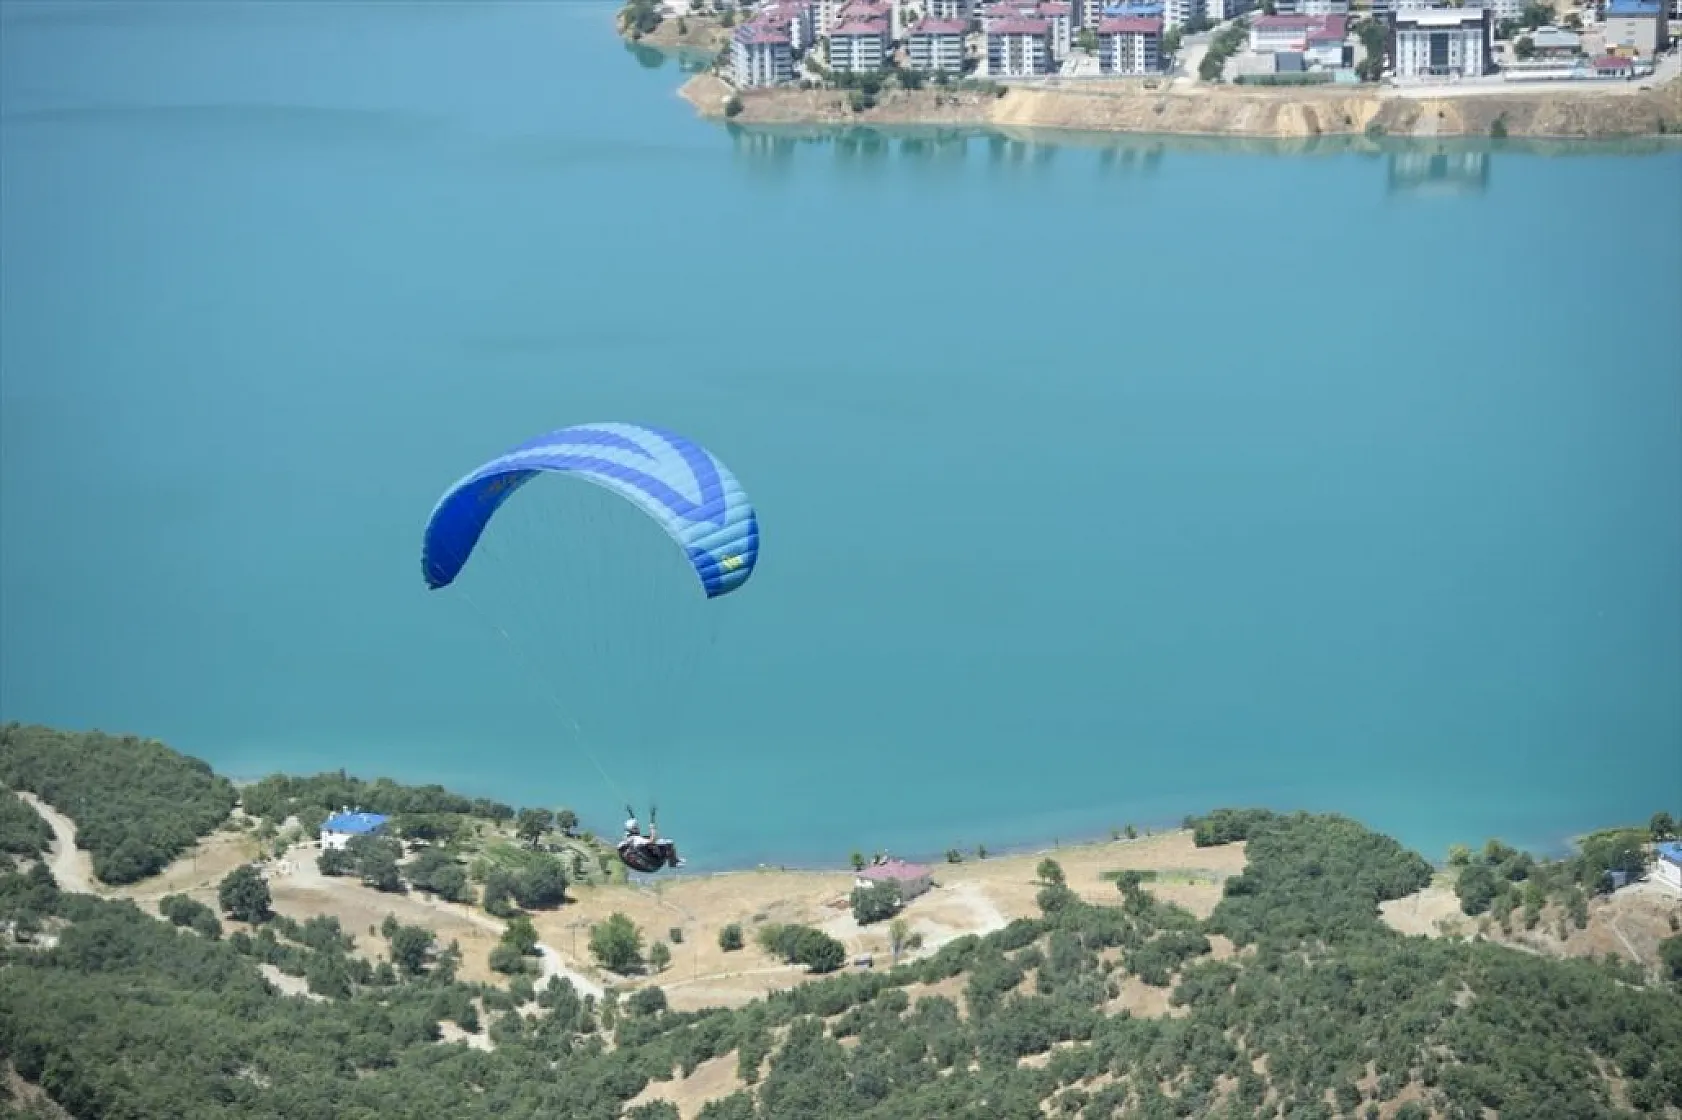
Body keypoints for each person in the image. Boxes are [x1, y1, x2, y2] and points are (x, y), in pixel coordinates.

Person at [617, 805, 683, 870]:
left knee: (647, 839)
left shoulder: (627, 838)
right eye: (637, 827)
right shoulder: (637, 839)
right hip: (655, 863)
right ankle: (673, 863)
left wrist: (630, 812)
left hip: (644, 865)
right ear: (635, 829)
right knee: (669, 842)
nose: (638, 828)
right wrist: (652, 823)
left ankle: (671, 861)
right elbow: (652, 840)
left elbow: (633, 824)